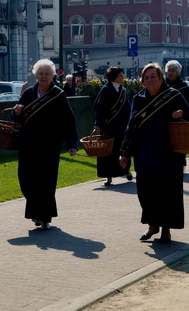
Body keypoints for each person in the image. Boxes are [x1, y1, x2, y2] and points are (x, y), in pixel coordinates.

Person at [119, 63, 189, 243]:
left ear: (160, 78)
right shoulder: (138, 99)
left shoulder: (173, 95)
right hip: (145, 152)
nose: (150, 80)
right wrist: (124, 152)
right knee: (146, 192)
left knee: (168, 193)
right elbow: (131, 127)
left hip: (169, 153)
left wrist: (178, 116)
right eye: (146, 77)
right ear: (142, 81)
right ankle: (152, 225)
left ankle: (166, 229)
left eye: (153, 77)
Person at [12, 59, 79, 230]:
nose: (43, 77)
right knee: (26, 180)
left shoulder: (58, 94)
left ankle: (44, 217)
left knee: (46, 182)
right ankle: (36, 211)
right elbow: (17, 118)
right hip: (28, 144)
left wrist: (72, 143)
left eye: (47, 74)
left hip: (50, 145)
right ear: (36, 75)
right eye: (41, 74)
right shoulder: (29, 93)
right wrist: (16, 111)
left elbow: (68, 120)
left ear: (52, 76)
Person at [93, 67, 132, 186]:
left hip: (122, 126)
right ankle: (108, 176)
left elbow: (128, 107)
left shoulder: (123, 89)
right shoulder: (105, 90)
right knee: (108, 152)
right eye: (120, 75)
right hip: (109, 126)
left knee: (123, 149)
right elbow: (99, 108)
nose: (123, 77)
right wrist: (98, 124)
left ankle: (126, 170)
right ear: (114, 77)